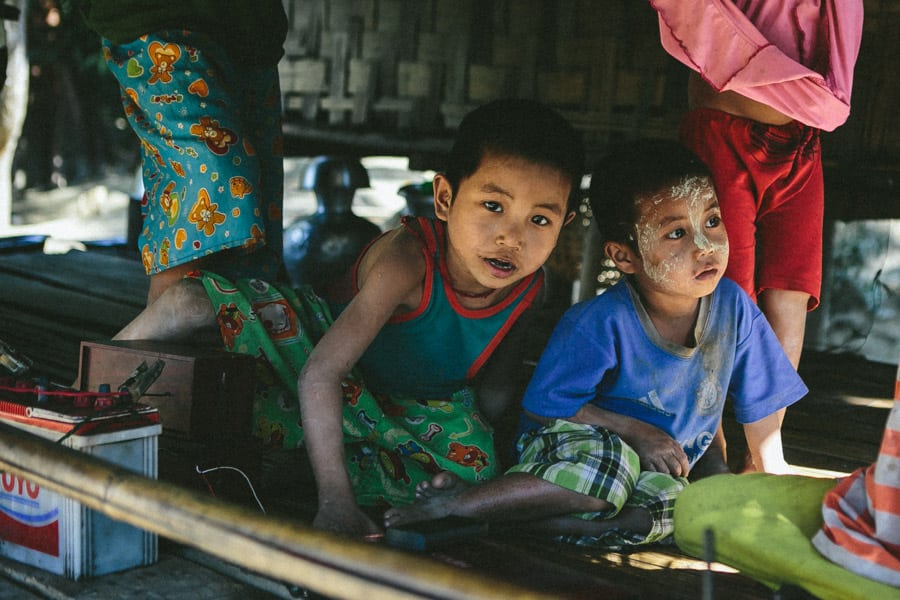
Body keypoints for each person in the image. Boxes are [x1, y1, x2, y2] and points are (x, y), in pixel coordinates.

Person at [113, 98, 586, 538]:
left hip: (406, 406)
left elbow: (495, 392)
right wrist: (334, 502)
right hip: (314, 352)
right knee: (208, 315)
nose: (512, 237)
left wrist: (489, 452)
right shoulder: (410, 260)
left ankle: (307, 458)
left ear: (564, 224)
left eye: (539, 220)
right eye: (494, 206)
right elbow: (322, 371)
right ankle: (95, 389)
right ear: (444, 198)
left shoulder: (531, 288)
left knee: (480, 468)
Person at [384, 139, 807, 547]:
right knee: (610, 469)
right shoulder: (600, 321)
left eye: (712, 222)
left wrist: (768, 482)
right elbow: (544, 405)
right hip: (572, 450)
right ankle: (461, 503)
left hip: (649, 469)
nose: (705, 246)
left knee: (680, 502)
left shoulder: (734, 308)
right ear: (624, 257)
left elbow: (761, 406)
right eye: (676, 233)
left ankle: (544, 524)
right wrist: (634, 431)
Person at [649, 0, 864, 372]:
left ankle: (770, 430)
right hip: (723, 133)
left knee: (792, 288)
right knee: (727, 291)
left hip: (801, 140)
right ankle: (710, 429)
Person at [78, 0, 289, 305]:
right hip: (154, 18)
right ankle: (155, 331)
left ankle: (217, 342)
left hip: (250, 29)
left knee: (255, 229)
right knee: (214, 170)